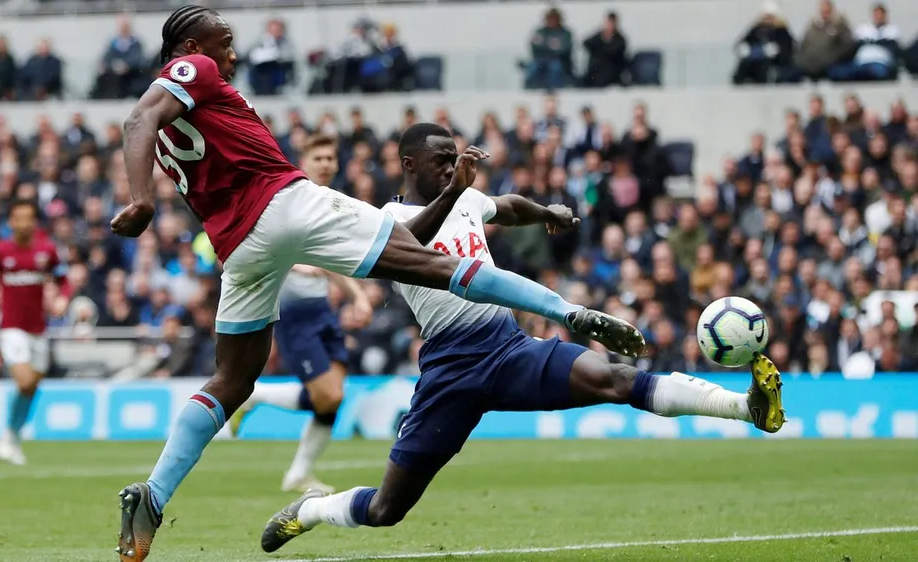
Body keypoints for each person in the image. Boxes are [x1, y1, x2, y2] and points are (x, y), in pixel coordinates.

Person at [111, 7, 644, 561]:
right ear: (191, 46)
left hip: (239, 244)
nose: (232, 54)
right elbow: (137, 119)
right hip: (283, 204)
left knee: (232, 379)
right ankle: (568, 314)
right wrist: (142, 200)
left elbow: (147, 127)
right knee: (433, 262)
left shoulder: (181, 113)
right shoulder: (192, 69)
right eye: (223, 42)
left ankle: (155, 493)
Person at [258, 134, 788, 554]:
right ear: (409, 164)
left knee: (616, 378)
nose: (451, 167)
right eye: (440, 161)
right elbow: (409, 246)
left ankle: (747, 408)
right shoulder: (386, 220)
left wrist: (545, 212)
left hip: (508, 347)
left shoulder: (467, 198)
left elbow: (505, 206)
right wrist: (453, 192)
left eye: (454, 159)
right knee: (386, 510)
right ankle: (312, 509)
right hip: (450, 371)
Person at [228, 134, 374, 494]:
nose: (325, 163)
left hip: (322, 311)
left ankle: (299, 473)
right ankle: (256, 396)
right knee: (327, 395)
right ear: (302, 163)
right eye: (318, 158)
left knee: (332, 398)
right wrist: (292, 264)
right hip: (293, 315)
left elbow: (332, 261)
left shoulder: (332, 204)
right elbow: (256, 245)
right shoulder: (284, 199)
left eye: (330, 158)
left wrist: (358, 297)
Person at [0, 200, 71, 465]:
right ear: (11, 222)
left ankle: (12, 436)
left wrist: (63, 298)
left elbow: (64, 279)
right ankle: (7, 433)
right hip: (11, 328)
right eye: (20, 218)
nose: (25, 223)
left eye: (29, 218)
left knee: (32, 387)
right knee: (25, 381)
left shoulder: (46, 251)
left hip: (38, 329)